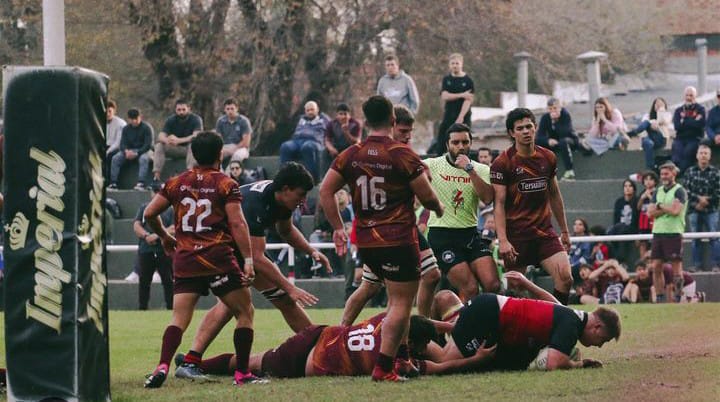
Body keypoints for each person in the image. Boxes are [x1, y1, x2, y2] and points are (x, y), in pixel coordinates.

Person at [319, 95, 444, 382]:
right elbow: (426, 195)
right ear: (391, 120)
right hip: (398, 238)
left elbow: (326, 191)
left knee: (379, 293)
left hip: (366, 241)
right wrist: (438, 207)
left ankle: (400, 359)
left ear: (364, 121)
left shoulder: (350, 154)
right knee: (400, 303)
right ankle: (385, 367)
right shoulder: (401, 154)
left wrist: (338, 228)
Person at [172, 162, 332, 381]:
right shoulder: (255, 204)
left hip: (238, 250)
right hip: (222, 250)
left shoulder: (281, 199)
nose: (303, 201)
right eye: (300, 195)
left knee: (269, 301)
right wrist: (290, 286)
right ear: (285, 189)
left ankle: (319, 346)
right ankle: (320, 347)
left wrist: (310, 250)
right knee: (243, 305)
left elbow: (286, 231)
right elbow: (256, 258)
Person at [142, 131, 264, 388]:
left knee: (179, 319)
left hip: (186, 259)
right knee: (245, 311)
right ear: (220, 154)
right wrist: (249, 260)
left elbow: (149, 213)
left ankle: (162, 365)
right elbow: (237, 223)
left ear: (193, 154)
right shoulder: (225, 183)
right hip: (216, 257)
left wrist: (165, 236)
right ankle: (242, 374)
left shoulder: (177, 182)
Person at [341, 105, 442, 324]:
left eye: (410, 132)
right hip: (385, 231)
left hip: (399, 228)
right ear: (392, 125)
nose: (408, 136)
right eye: (404, 131)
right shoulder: (387, 154)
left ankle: (416, 330)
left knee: (429, 276)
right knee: (375, 288)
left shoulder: (401, 153)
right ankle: (346, 334)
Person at [185, 313, 478, 378]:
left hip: (321, 335)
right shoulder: (396, 360)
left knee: (254, 360)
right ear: (410, 342)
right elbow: (443, 366)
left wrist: (450, 326)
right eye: (420, 345)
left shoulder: (389, 319)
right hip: (314, 360)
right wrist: (481, 359)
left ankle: (193, 361)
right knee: (254, 363)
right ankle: (192, 363)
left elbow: (416, 319)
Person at [428, 283, 620, 371]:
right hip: (488, 316)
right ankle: (409, 340)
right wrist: (580, 365)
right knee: (443, 361)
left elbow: (550, 304)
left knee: (445, 299)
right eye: (604, 339)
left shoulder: (572, 317)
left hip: (489, 312)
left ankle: (427, 331)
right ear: (597, 327)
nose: (600, 345)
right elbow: (554, 363)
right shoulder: (572, 326)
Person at [491, 108, 573, 304]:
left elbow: (554, 194)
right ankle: (519, 331)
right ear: (512, 133)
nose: (526, 131)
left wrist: (564, 230)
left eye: (529, 126)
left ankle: (556, 322)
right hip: (516, 236)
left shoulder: (548, 157)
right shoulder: (503, 162)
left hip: (544, 232)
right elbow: (499, 203)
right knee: (515, 291)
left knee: (565, 277)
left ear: (536, 128)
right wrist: (502, 240)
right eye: (520, 128)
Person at [425, 123, 499, 301]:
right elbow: (408, 170)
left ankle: (490, 326)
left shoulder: (481, 169)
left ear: (470, 143)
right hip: (442, 235)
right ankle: (465, 328)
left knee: (493, 285)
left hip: (470, 233)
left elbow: (488, 198)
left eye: (465, 142)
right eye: (455, 142)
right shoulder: (433, 165)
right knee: (470, 287)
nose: (460, 147)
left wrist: (470, 170)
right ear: (447, 145)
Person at [647, 161, 688, 302]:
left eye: (666, 173)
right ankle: (660, 297)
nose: (664, 176)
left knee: (676, 266)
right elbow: (650, 213)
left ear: (674, 173)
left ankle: (678, 297)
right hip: (658, 232)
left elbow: (676, 211)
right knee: (656, 266)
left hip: (673, 232)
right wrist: (666, 208)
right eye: (662, 174)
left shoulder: (679, 190)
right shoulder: (658, 191)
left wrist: (659, 206)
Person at [134, 182, 174, 310]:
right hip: (146, 250)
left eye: (158, 192)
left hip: (164, 250)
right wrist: (146, 236)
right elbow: (136, 225)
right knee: (144, 281)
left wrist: (157, 235)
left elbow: (174, 228)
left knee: (168, 280)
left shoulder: (170, 209)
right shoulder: (144, 207)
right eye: (154, 191)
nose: (156, 194)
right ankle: (142, 308)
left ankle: (171, 307)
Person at [682, 144, 720, 271]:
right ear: (697, 155)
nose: (703, 155)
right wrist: (698, 200)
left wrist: (705, 201)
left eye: (706, 153)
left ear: (709, 156)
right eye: (701, 153)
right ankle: (696, 265)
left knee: (714, 237)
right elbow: (685, 191)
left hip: (712, 210)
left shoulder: (716, 172)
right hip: (694, 209)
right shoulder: (690, 171)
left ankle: (716, 265)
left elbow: (718, 192)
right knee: (695, 238)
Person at [152, 99, 204, 185]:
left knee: (194, 144)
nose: (181, 112)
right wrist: (167, 140)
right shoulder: (171, 120)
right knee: (159, 145)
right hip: (175, 148)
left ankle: (190, 175)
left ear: (189, 109)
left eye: (183, 109)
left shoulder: (196, 119)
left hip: (189, 150)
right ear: (175, 110)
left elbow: (196, 136)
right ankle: (156, 178)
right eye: (179, 110)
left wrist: (178, 140)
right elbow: (160, 135)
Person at [279, 101, 331, 181]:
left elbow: (331, 130)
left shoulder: (323, 119)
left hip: (314, 141)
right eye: (308, 110)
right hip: (298, 140)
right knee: (285, 146)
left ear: (317, 110)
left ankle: (311, 178)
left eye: (312, 110)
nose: (310, 112)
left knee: (307, 147)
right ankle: (285, 176)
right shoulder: (301, 119)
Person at [434, 53, 474, 155]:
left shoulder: (468, 80)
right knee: (441, 140)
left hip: (463, 116)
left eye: (457, 63)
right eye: (453, 63)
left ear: (461, 64)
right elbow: (445, 96)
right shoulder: (447, 79)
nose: (455, 65)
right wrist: (461, 94)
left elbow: (468, 100)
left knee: (463, 141)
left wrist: (461, 117)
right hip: (449, 114)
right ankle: (439, 162)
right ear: (449, 65)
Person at [108, 108, 154, 190]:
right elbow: (122, 144)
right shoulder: (126, 129)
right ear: (128, 119)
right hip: (129, 151)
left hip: (144, 150)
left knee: (143, 159)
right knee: (115, 158)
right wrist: (126, 151)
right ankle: (113, 182)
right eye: (132, 119)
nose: (135, 121)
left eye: (136, 119)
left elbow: (148, 144)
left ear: (140, 117)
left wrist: (137, 153)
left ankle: (141, 182)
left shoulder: (146, 128)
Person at [535, 98, 578, 180]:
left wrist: (555, 121)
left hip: (569, 140)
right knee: (536, 143)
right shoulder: (545, 117)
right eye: (550, 109)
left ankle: (569, 172)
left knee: (563, 141)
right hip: (554, 142)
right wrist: (548, 140)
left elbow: (565, 132)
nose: (553, 111)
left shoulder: (565, 115)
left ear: (560, 108)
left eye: (555, 108)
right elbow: (539, 135)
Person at [626, 97, 673, 170]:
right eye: (656, 104)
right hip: (648, 139)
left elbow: (663, 121)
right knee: (648, 143)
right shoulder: (647, 116)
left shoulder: (667, 115)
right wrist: (651, 124)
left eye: (660, 104)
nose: (658, 105)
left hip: (661, 139)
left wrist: (660, 111)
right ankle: (650, 167)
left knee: (647, 123)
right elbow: (643, 129)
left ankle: (632, 133)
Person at [672, 86, 706, 172]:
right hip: (680, 138)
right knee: (677, 152)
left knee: (688, 152)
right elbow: (677, 126)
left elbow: (700, 125)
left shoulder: (700, 109)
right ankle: (677, 172)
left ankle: (680, 173)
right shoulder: (678, 110)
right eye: (687, 95)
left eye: (691, 95)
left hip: (694, 138)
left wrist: (685, 120)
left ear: (695, 96)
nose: (688, 98)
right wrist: (693, 120)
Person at [607, 179, 639, 264]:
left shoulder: (637, 201)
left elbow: (637, 219)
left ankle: (620, 261)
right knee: (610, 232)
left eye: (630, 186)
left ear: (634, 188)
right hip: (619, 227)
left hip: (632, 228)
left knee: (622, 230)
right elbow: (616, 218)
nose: (627, 188)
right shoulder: (619, 201)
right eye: (625, 186)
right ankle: (614, 260)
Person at [215, 98, 252, 164]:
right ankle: (219, 172)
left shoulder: (243, 121)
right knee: (215, 155)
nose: (230, 111)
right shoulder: (221, 121)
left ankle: (229, 173)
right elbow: (218, 139)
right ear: (224, 110)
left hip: (241, 148)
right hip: (226, 146)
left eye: (232, 109)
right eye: (228, 109)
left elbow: (246, 142)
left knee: (237, 156)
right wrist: (224, 149)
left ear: (237, 109)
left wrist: (235, 149)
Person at [637, 171, 658, 260]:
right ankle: (642, 263)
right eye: (646, 179)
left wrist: (649, 196)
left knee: (654, 243)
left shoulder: (658, 192)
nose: (648, 182)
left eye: (651, 179)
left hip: (654, 221)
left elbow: (658, 205)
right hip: (643, 221)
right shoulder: (642, 193)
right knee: (643, 243)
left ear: (655, 181)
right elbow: (638, 207)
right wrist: (642, 198)